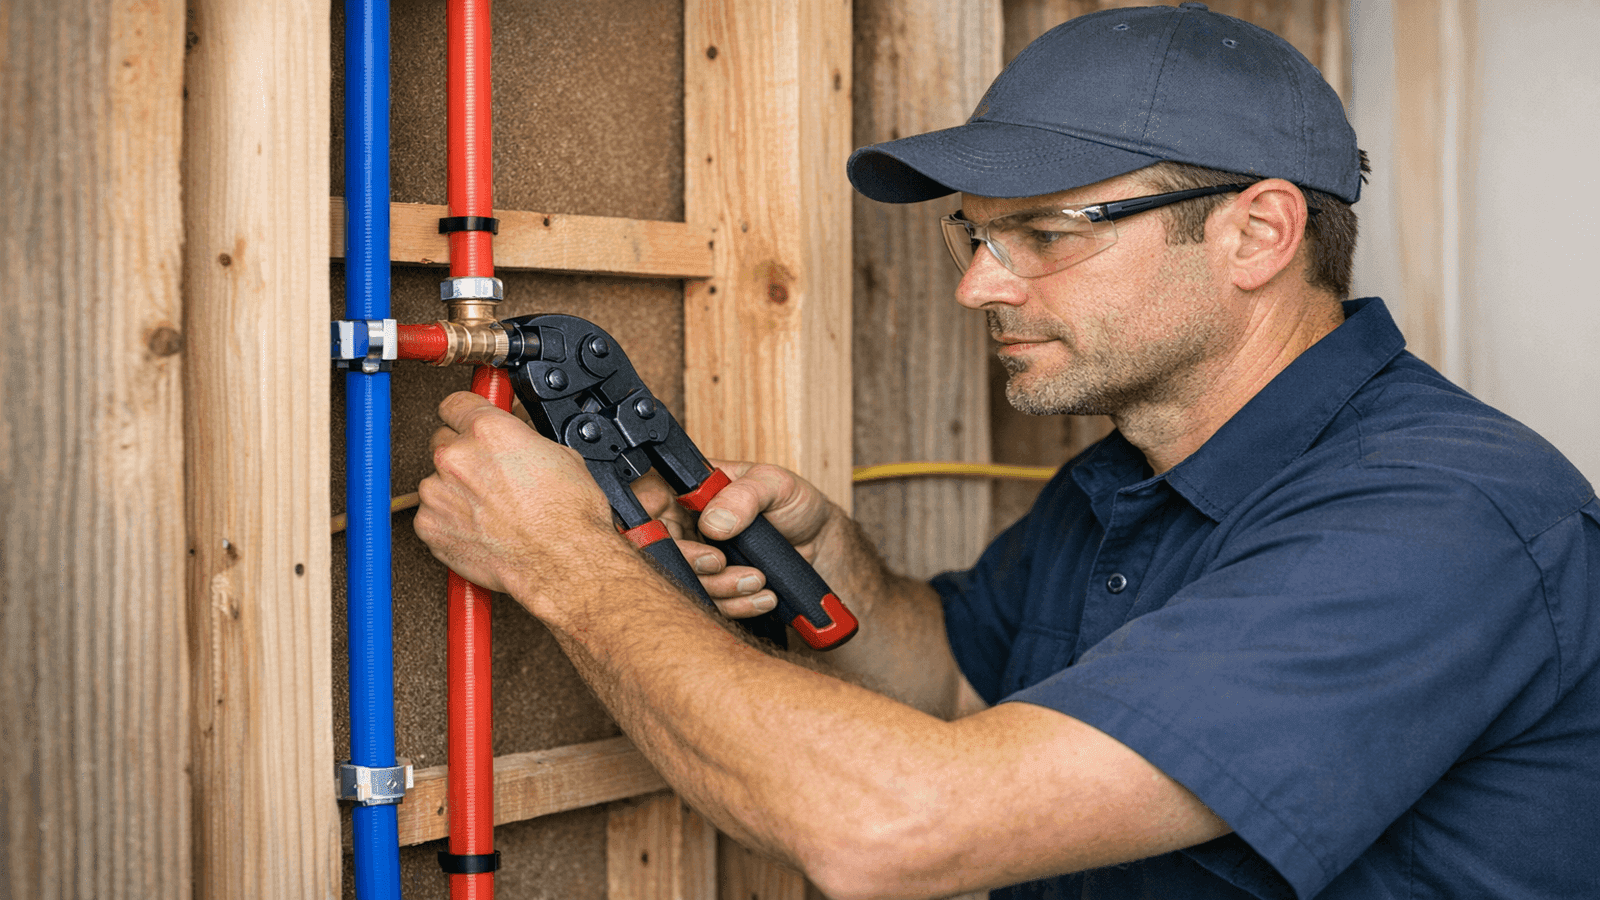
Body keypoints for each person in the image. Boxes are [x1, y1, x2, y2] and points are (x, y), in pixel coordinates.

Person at [414, 4, 1600, 898]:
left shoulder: (1438, 522)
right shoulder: (1133, 467)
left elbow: (893, 829)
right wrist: (843, 572)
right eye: (972, 237)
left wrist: (566, 564)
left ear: (1256, 231)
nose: (981, 285)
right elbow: (959, 686)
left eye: (1042, 232)